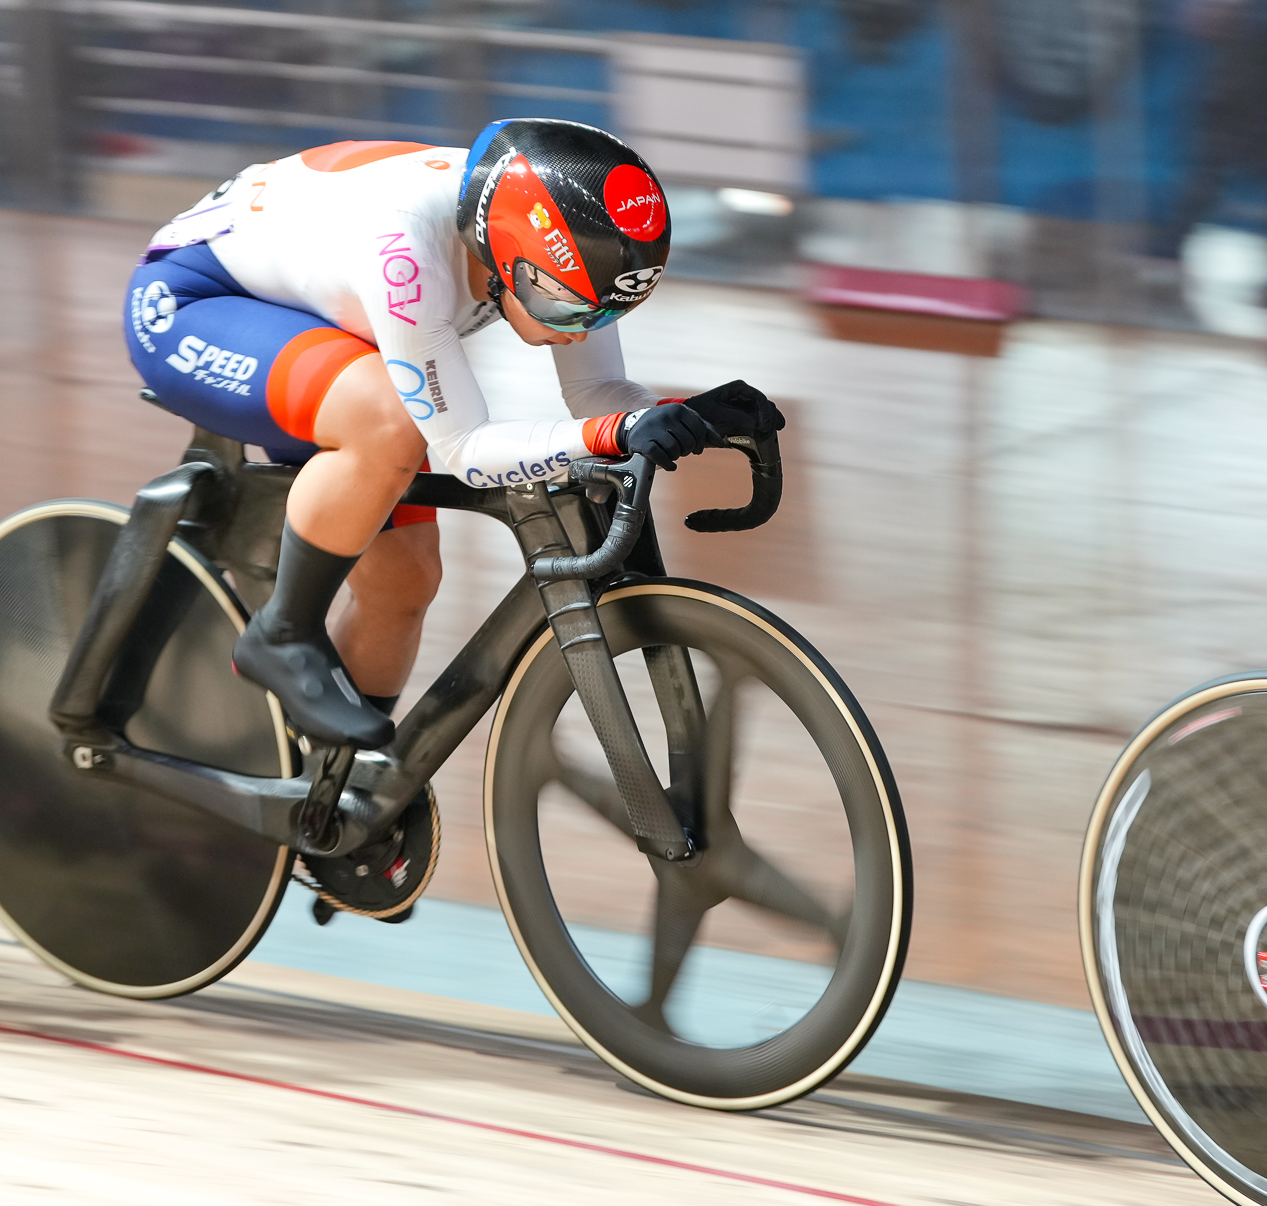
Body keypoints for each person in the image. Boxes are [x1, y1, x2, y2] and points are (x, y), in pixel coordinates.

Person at [125, 119, 783, 748]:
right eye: (565, 306)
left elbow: (596, 395)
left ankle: (337, 796)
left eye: (609, 309)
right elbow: (464, 449)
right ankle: (282, 630)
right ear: (502, 257)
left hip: (321, 325)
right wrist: (617, 432)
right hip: (194, 301)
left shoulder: (562, 243)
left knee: (405, 582)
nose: (580, 329)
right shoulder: (407, 253)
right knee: (391, 420)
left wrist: (687, 415)